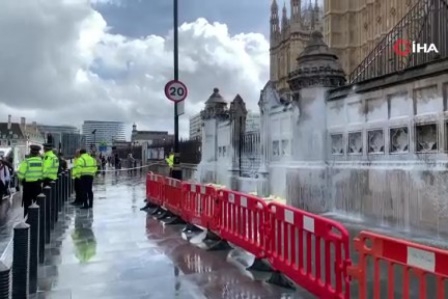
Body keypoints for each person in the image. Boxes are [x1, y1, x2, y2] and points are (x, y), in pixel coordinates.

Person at [16, 145, 43, 217]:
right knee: (37, 203)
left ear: (30, 152)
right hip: (37, 185)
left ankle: (27, 219)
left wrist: (21, 180)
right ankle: (37, 218)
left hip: (27, 186)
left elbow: (20, 174)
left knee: (27, 203)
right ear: (38, 153)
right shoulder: (41, 162)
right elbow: (44, 173)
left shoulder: (27, 161)